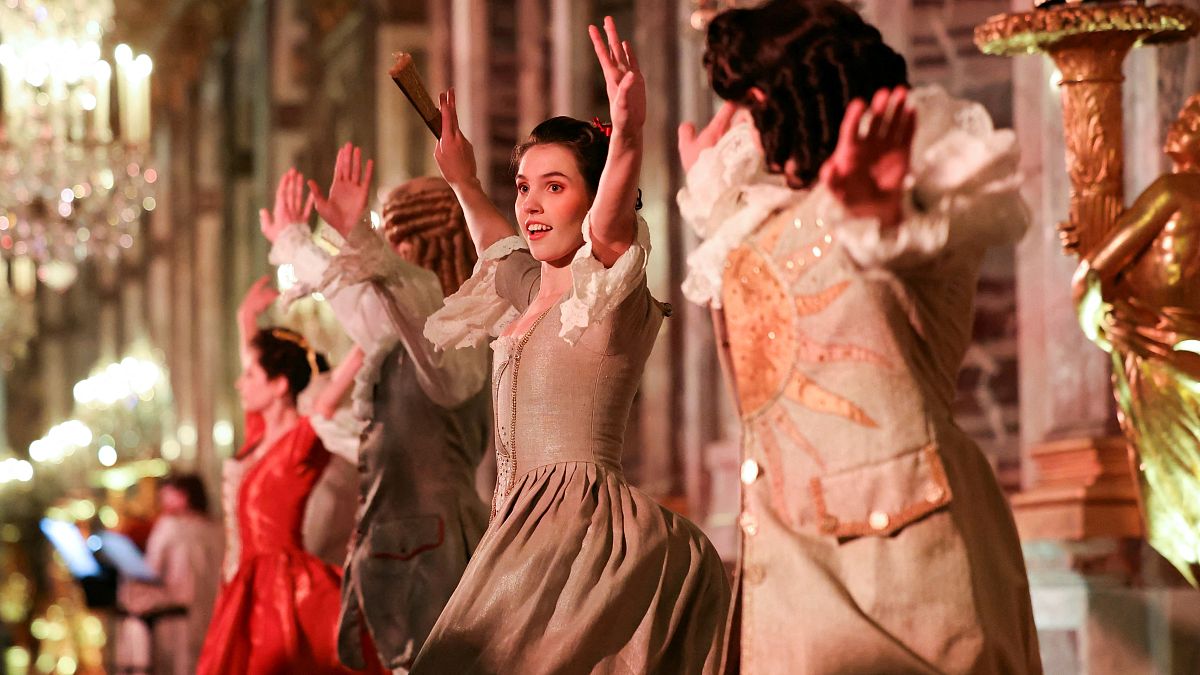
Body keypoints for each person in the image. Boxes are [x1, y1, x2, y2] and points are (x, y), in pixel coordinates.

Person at [676, 1, 1041, 672]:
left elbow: (895, 245)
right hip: (787, 570)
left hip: (899, 568)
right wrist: (711, 194)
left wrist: (879, 211)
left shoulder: (919, 197)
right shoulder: (756, 221)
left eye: (751, 110)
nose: (741, 131)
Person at [413, 17, 729, 674]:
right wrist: (466, 181)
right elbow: (495, 243)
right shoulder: (530, 291)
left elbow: (611, 222)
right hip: (518, 527)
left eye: (554, 187)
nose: (530, 204)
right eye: (524, 185)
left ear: (591, 199)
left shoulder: (610, 283)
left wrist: (629, 133)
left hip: (581, 534)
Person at [262, 154, 491, 673]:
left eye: (398, 245)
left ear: (422, 249)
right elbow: (358, 300)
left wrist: (347, 243)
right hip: (396, 546)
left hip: (439, 547)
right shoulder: (402, 342)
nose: (388, 257)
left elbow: (398, 300)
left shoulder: (455, 335)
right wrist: (297, 240)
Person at [196, 306, 382, 674]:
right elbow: (256, 362)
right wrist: (244, 320)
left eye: (250, 375)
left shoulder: (302, 438)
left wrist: (370, 331)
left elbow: (331, 397)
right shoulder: (259, 436)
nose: (239, 383)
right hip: (242, 582)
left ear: (279, 385)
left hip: (282, 586)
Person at [1074, 93, 1200, 587]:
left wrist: (1100, 322)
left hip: (1163, 361)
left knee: (1180, 505)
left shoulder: (1172, 190)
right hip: (1171, 357)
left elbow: (1092, 271)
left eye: (1192, 120)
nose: (1177, 125)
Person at [115, 474, 223, 675]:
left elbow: (151, 570)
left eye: (168, 495)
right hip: (213, 616)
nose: (162, 501)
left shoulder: (169, 527)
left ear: (183, 496)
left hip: (175, 621)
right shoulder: (218, 528)